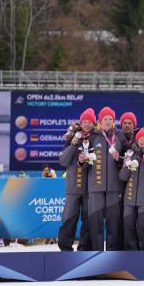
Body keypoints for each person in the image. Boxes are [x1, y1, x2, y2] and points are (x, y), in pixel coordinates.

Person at [80, 106, 124, 251]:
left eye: (110, 119)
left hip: (113, 186)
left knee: (113, 222)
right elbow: (84, 164)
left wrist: (119, 160)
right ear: (100, 120)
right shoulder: (92, 137)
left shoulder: (118, 137)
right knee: (95, 222)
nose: (108, 121)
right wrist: (82, 161)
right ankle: (96, 252)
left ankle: (112, 253)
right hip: (96, 187)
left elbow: (127, 161)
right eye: (105, 119)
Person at [57, 108, 94, 251]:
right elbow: (63, 161)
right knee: (69, 218)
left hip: (90, 187)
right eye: (84, 121)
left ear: (93, 123)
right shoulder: (72, 137)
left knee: (88, 220)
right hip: (73, 188)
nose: (86, 124)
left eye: (89, 122)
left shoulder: (96, 138)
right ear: (81, 122)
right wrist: (73, 144)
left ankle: (84, 247)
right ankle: (65, 247)